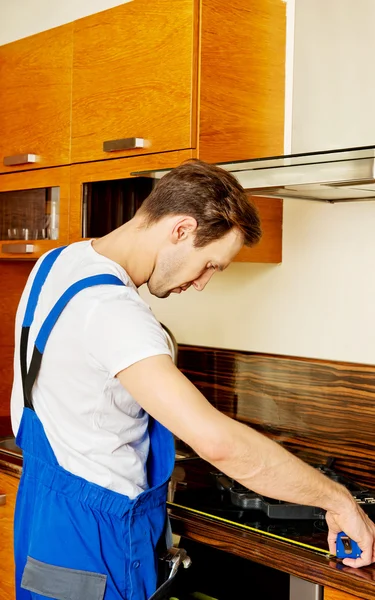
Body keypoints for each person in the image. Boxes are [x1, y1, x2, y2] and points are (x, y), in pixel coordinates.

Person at [11, 160, 375, 600]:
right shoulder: (113, 310)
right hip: (97, 534)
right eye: (210, 265)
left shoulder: (57, 262)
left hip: (45, 513)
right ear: (181, 230)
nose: (202, 283)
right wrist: (338, 500)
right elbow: (219, 444)